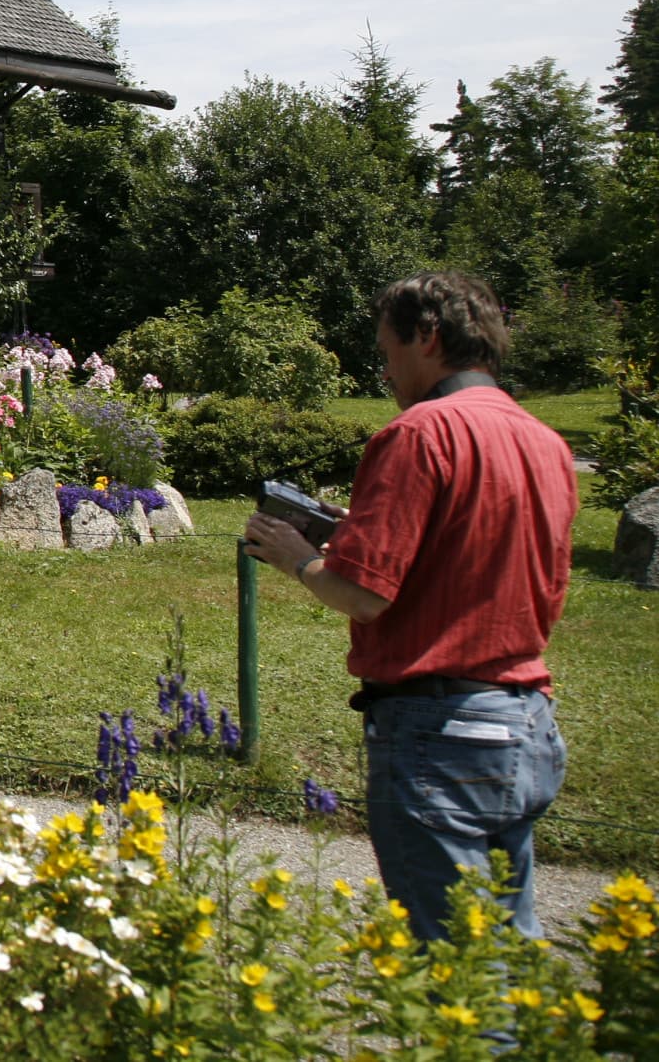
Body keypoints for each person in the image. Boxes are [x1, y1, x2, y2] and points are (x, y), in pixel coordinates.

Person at [241, 271, 575, 940]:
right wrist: (358, 534)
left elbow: (361, 596)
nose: (385, 371)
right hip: (526, 724)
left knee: (448, 962)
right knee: (507, 953)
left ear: (426, 335)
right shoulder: (545, 442)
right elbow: (473, 554)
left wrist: (295, 556)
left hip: (440, 733)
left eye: (386, 350)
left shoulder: (419, 434)